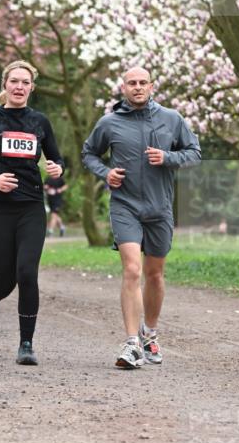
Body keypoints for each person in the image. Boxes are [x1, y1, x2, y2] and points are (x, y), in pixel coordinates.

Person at [82, 66, 201, 369]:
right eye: (131, 83)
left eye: (142, 83)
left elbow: (194, 153)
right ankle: (132, 342)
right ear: (123, 87)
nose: (137, 87)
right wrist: (105, 172)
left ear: (152, 86)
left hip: (159, 207)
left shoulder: (172, 119)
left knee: (154, 274)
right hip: (125, 205)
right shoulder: (109, 122)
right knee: (132, 270)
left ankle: (150, 333)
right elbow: (89, 154)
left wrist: (168, 158)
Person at [0, 59, 65, 366]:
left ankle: (26, 344)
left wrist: (58, 169)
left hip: (31, 207)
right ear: (5, 86)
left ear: (31, 88)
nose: (19, 87)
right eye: (14, 81)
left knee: (27, 273)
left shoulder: (40, 122)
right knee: (5, 280)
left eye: (25, 82)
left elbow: (58, 164)